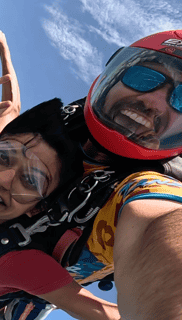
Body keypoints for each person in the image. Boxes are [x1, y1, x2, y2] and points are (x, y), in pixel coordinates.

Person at [0, 25, 121, 320]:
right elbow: (11, 107)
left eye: (31, 179)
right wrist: (4, 53)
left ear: (38, 208)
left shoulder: (21, 265)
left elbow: (103, 313)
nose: (3, 178)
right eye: (4, 156)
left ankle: (36, 303)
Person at [63, 29, 182, 319]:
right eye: (144, 78)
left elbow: (159, 222)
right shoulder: (54, 131)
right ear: (113, 76)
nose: (154, 102)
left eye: (181, 100)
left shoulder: (148, 188)